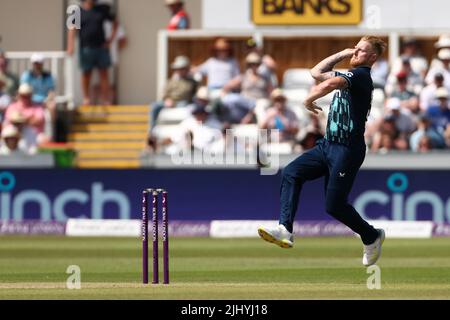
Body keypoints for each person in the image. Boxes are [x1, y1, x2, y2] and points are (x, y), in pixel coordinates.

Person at [257, 36, 387, 267]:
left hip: (347, 149)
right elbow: (316, 72)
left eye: (361, 50)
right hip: (327, 145)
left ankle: (371, 235)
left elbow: (327, 84)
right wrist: (343, 53)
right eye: (355, 48)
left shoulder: (361, 77)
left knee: (334, 206)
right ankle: (285, 229)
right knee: (291, 173)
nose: (356, 52)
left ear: (373, 57)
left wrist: (308, 99)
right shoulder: (349, 73)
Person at [66, 0, 118, 106]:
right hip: (85, 48)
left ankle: (105, 100)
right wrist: (70, 46)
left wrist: (110, 40)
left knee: (104, 73)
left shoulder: (102, 9)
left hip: (101, 47)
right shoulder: (76, 11)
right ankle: (86, 99)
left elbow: (115, 22)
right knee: (86, 74)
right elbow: (71, 29)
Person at [151, 55, 197, 127]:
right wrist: (167, 100)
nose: (180, 71)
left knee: (185, 106)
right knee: (155, 106)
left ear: (187, 69)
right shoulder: (171, 81)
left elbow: (196, 94)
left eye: (182, 69)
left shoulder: (193, 82)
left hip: (183, 103)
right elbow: (165, 93)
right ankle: (152, 130)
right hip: (169, 102)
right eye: (178, 69)